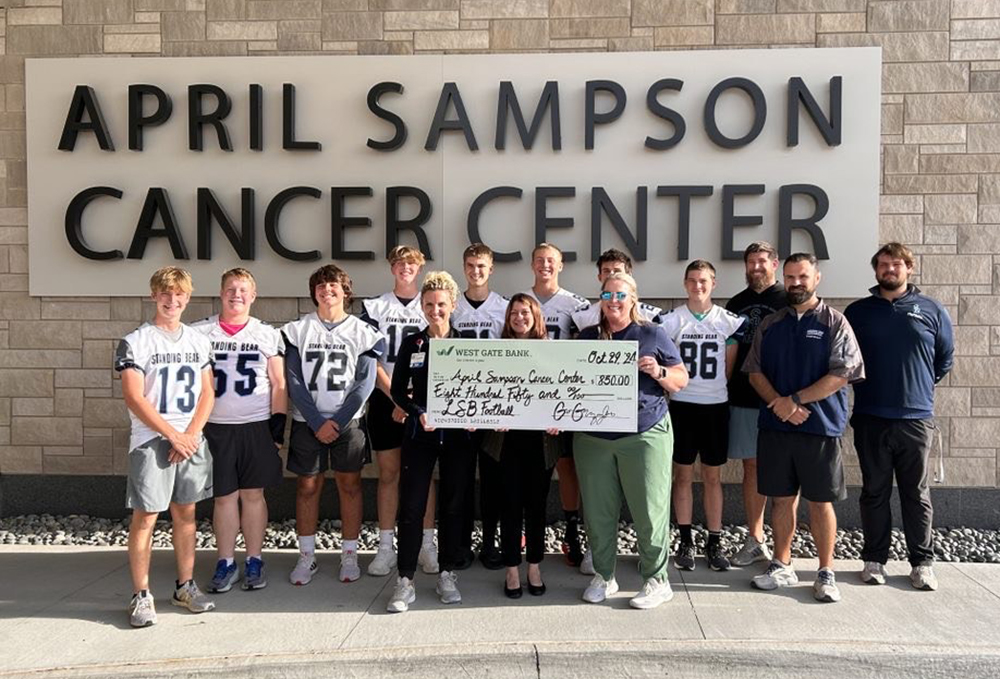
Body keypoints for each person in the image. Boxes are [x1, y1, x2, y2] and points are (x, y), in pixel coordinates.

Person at [743, 253, 865, 603]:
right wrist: (780, 405)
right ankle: (782, 563)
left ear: (817, 278)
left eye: (803, 276)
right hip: (776, 426)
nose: (796, 282)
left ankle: (826, 571)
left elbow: (842, 373)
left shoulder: (835, 322)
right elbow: (754, 371)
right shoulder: (771, 323)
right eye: (791, 276)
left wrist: (795, 401)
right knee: (781, 500)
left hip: (819, 428)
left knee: (820, 501)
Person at [574, 272, 689, 609]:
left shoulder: (652, 333)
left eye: (620, 295)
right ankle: (604, 576)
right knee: (598, 510)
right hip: (594, 438)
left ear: (633, 299)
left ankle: (656, 580)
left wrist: (659, 372)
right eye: (607, 295)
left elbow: (681, 380)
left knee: (649, 509)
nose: (613, 302)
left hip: (643, 433)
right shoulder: (586, 338)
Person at [845, 242, 953, 591]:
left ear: (909, 268)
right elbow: (845, 359)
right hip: (870, 415)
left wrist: (914, 388)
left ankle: (922, 562)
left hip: (915, 419)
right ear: (875, 270)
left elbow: (943, 359)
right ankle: (874, 559)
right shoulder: (858, 312)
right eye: (883, 265)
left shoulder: (931, 309)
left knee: (915, 493)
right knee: (874, 491)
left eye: (896, 265)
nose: (889, 270)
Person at [115, 266, 216, 628]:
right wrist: (172, 435)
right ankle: (141, 595)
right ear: (154, 295)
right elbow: (133, 396)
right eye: (165, 294)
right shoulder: (136, 341)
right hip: (151, 439)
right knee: (146, 517)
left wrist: (189, 434)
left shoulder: (198, 340)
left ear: (187, 298)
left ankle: (184, 586)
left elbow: (207, 392)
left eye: (179, 295)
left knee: (186, 514)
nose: (172, 301)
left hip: (189, 439)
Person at [282, 265, 386, 586]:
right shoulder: (298, 330)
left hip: (349, 423)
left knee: (350, 485)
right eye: (321, 286)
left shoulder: (362, 331)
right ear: (313, 292)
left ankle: (350, 554)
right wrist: (316, 421)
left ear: (345, 291)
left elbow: (364, 383)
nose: (327, 290)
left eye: (333, 285)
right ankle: (306, 557)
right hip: (306, 422)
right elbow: (294, 380)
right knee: (307, 487)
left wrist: (337, 422)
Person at [386, 271, 478, 613]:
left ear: (453, 305)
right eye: (428, 304)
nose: (434, 310)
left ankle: (448, 573)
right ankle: (406, 579)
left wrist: (475, 417)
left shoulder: (468, 343)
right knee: (411, 506)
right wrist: (416, 411)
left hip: (458, 439)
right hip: (419, 436)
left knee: (454, 506)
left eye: (441, 304)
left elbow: (480, 391)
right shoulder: (413, 343)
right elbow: (397, 391)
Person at [193, 268, 286, 594]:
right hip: (216, 427)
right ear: (221, 293)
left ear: (254, 295)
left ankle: (255, 558)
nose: (237, 295)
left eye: (243, 290)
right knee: (224, 497)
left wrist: (277, 427)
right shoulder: (200, 332)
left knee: (253, 495)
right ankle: (225, 561)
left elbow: (279, 382)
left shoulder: (266, 333)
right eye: (231, 289)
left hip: (254, 425)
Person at [660, 260, 747, 572]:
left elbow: (728, 368)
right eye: (693, 281)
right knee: (682, 475)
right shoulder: (671, 321)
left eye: (704, 281)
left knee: (713, 476)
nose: (698, 286)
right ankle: (685, 540)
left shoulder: (727, 321)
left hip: (715, 406)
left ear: (714, 284)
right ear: (685, 284)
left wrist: (712, 393)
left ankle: (714, 540)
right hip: (683, 404)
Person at [361, 246, 439, 577]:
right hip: (386, 400)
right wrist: (396, 398)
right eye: (399, 263)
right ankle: (385, 546)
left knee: (424, 475)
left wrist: (411, 400)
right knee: (389, 473)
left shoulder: (431, 304)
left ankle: (426, 543)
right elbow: (370, 360)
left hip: (423, 401)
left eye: (411, 263)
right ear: (392, 267)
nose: (405, 268)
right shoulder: (375, 307)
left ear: (419, 268)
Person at [485, 294, 560, 598]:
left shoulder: (553, 352)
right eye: (514, 313)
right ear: (507, 318)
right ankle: (512, 569)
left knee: (537, 507)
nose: (519, 317)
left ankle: (535, 566)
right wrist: (492, 417)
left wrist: (560, 418)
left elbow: (565, 393)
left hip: (540, 443)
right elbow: (485, 392)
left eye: (525, 312)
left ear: (536, 315)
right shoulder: (496, 351)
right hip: (506, 442)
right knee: (510, 506)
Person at [523, 242, 592, 571]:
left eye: (551, 261)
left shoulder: (575, 305)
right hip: (525, 396)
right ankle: (523, 530)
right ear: (532, 265)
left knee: (566, 465)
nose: (545, 266)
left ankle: (571, 530)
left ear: (561, 265)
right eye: (539, 261)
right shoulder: (520, 301)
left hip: (562, 397)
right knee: (525, 465)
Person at [726, 241, 788, 567]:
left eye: (762, 261)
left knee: (782, 468)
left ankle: (783, 547)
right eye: (751, 262)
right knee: (751, 467)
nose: (757, 267)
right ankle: (755, 538)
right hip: (745, 398)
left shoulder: (787, 301)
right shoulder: (736, 304)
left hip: (781, 399)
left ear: (774, 264)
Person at [451, 243, 509, 570]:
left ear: (491, 269)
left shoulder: (503, 307)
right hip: (458, 406)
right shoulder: (453, 306)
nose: (476, 271)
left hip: (494, 406)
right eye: (471, 265)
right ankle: (460, 544)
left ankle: (490, 542)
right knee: (458, 478)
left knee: (492, 479)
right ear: (464, 267)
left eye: (481, 266)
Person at [571, 248, 663, 333]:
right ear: (599, 277)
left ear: (629, 275)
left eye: (617, 271)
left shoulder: (650, 315)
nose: (611, 275)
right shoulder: (582, 317)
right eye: (606, 271)